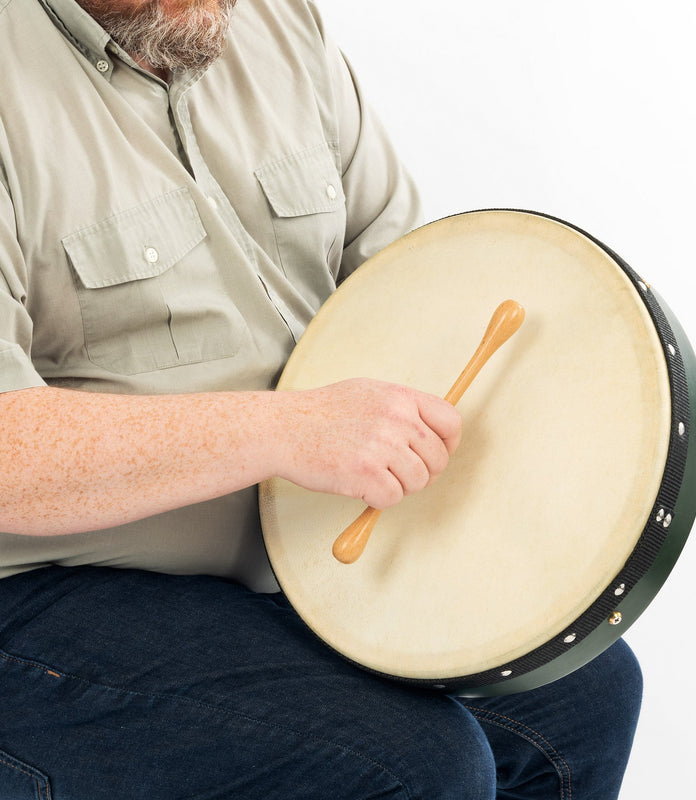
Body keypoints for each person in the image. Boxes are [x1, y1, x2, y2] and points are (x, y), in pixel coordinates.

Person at [0, 1, 643, 797]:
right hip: (43, 589)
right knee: (415, 767)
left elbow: (404, 282)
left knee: (586, 697)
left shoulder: (279, 22)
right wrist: (286, 431)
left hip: (306, 549)